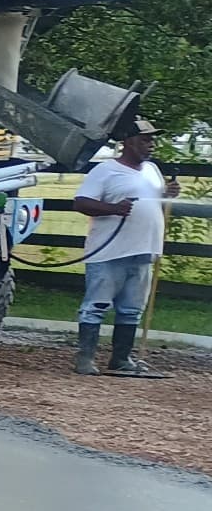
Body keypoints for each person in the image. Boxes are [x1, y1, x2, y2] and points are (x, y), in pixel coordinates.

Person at [71, 118, 174, 378]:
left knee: (131, 308)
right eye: (145, 139)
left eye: (152, 140)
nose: (151, 145)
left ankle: (121, 359)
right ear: (127, 142)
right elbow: (81, 203)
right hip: (109, 251)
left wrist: (168, 194)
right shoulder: (106, 171)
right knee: (96, 305)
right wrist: (114, 209)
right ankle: (85, 359)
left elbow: (155, 202)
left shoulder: (151, 169)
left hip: (144, 249)